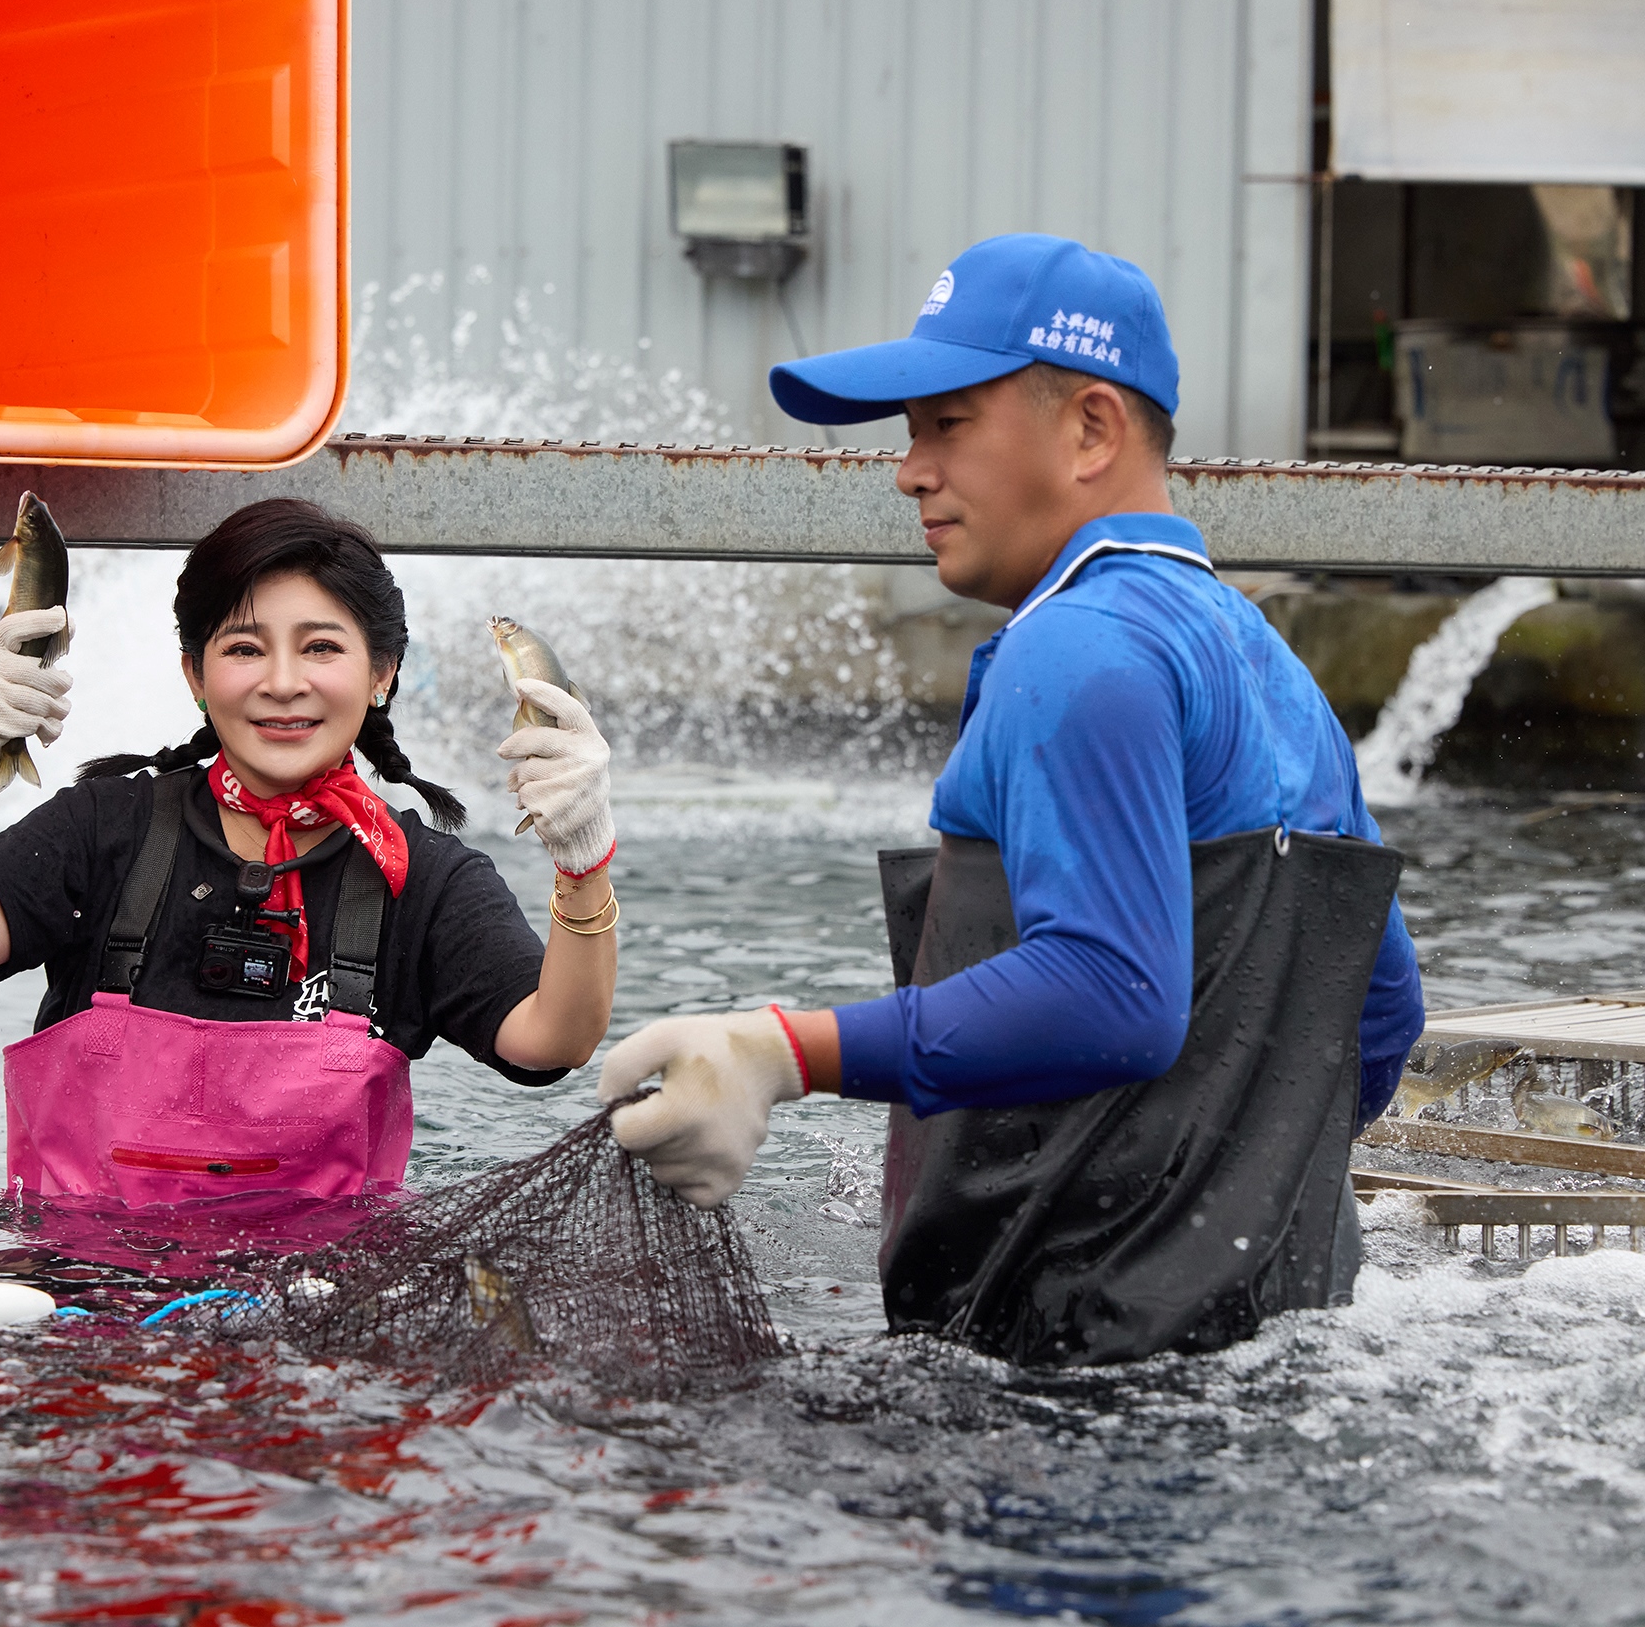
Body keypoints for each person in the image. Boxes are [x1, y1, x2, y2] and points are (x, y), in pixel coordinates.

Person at [596, 234, 1426, 1365]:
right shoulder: (1272, 668)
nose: (908, 470)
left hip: (1061, 1354)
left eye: (948, 424)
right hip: (1277, 1330)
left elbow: (1111, 992)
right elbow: (1380, 1014)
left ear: (1090, 429)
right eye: (909, 433)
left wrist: (782, 1049)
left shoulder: (1072, 651)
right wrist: (1228, 1197)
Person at [0, 497, 620, 1208]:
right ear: (196, 677)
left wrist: (583, 861)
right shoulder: (105, 826)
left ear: (382, 674)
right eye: (244, 648)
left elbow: (554, 1037)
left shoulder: (421, 875)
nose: (282, 682)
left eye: (321, 647)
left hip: (321, 1307)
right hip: (83, 1300)